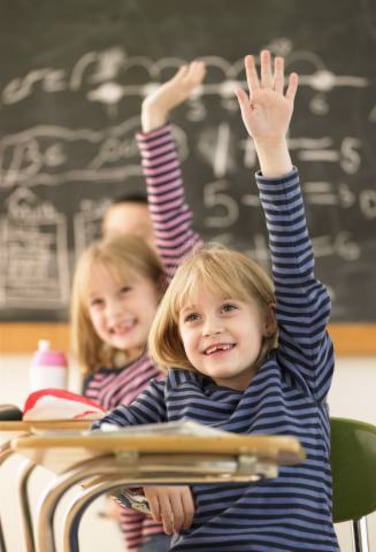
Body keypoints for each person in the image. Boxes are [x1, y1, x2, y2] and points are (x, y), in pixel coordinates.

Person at [92, 50, 340, 551]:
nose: (210, 327)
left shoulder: (298, 371)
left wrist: (272, 148)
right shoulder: (174, 391)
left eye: (228, 308)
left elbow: (293, 264)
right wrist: (148, 470)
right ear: (176, 335)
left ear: (270, 320)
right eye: (192, 317)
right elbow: (101, 434)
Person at [71, 61, 206, 552]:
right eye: (99, 300)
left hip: (199, 532)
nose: (113, 308)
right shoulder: (99, 380)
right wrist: (128, 487)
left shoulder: (184, 346)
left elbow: (171, 223)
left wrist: (153, 118)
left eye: (141, 241)